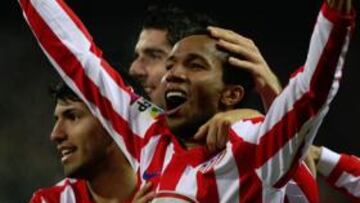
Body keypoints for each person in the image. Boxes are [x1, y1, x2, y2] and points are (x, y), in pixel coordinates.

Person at [19, 0, 355, 202]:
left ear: (231, 93)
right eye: (170, 65)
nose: (171, 75)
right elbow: (77, 57)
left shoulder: (251, 143)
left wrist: (334, 20)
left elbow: (310, 94)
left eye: (193, 65)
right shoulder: (149, 134)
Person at [29, 82, 137, 203]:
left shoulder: (160, 189)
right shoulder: (50, 201)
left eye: (72, 117)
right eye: (57, 120)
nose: (55, 134)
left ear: (115, 122)